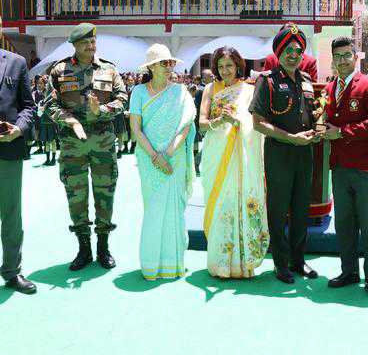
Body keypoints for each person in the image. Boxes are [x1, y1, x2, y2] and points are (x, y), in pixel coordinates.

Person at [45, 23, 128, 271]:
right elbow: (50, 105)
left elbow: (122, 99)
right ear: (75, 45)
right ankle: (84, 248)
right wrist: (69, 120)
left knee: (105, 194)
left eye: (93, 42)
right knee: (76, 195)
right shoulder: (60, 71)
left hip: (103, 143)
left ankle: (103, 246)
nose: (91, 46)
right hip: (73, 145)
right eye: (85, 43)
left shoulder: (109, 69)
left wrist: (101, 110)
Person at [249, 24, 320, 284]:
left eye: (298, 50)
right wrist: (292, 138)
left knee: (302, 209)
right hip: (279, 153)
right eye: (288, 49)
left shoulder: (307, 80)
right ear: (279, 52)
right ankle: (281, 264)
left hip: (305, 154)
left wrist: (318, 126)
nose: (293, 54)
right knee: (278, 210)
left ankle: (299, 261)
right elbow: (258, 123)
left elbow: (314, 114)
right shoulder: (267, 81)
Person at [322, 36, 368, 300]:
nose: (342, 61)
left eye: (347, 55)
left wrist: (341, 132)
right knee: (344, 223)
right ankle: (349, 271)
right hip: (339, 167)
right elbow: (325, 119)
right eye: (337, 56)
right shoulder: (329, 88)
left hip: (365, 167)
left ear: (356, 56)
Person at [199, 47, 269, 279]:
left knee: (239, 199)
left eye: (229, 66)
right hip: (216, 152)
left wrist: (238, 121)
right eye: (220, 67)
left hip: (242, 156)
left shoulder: (249, 90)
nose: (225, 71)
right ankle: (220, 263)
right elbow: (201, 123)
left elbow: (256, 123)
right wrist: (221, 120)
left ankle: (242, 263)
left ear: (238, 65)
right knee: (220, 203)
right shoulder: (210, 88)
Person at [128, 44, 196, 280]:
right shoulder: (137, 92)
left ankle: (172, 264)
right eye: (164, 63)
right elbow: (136, 129)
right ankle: (151, 265)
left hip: (174, 159)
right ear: (152, 67)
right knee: (154, 209)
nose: (169, 67)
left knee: (174, 212)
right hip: (148, 160)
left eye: (171, 63)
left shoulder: (181, 92)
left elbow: (186, 127)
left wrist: (167, 155)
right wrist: (156, 157)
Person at [0, 16, 37, 294]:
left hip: (8, 149)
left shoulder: (16, 62)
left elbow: (28, 106)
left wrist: (19, 128)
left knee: (12, 214)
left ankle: (12, 271)